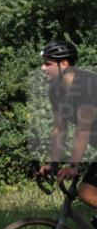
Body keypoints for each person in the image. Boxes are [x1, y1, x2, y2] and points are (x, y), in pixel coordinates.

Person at [38, 40, 97, 219]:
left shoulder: (87, 85)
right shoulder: (55, 90)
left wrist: (73, 166)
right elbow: (59, 129)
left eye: (48, 63)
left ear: (64, 64)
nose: (42, 68)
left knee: (86, 192)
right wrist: (52, 163)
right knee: (87, 191)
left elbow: (83, 130)